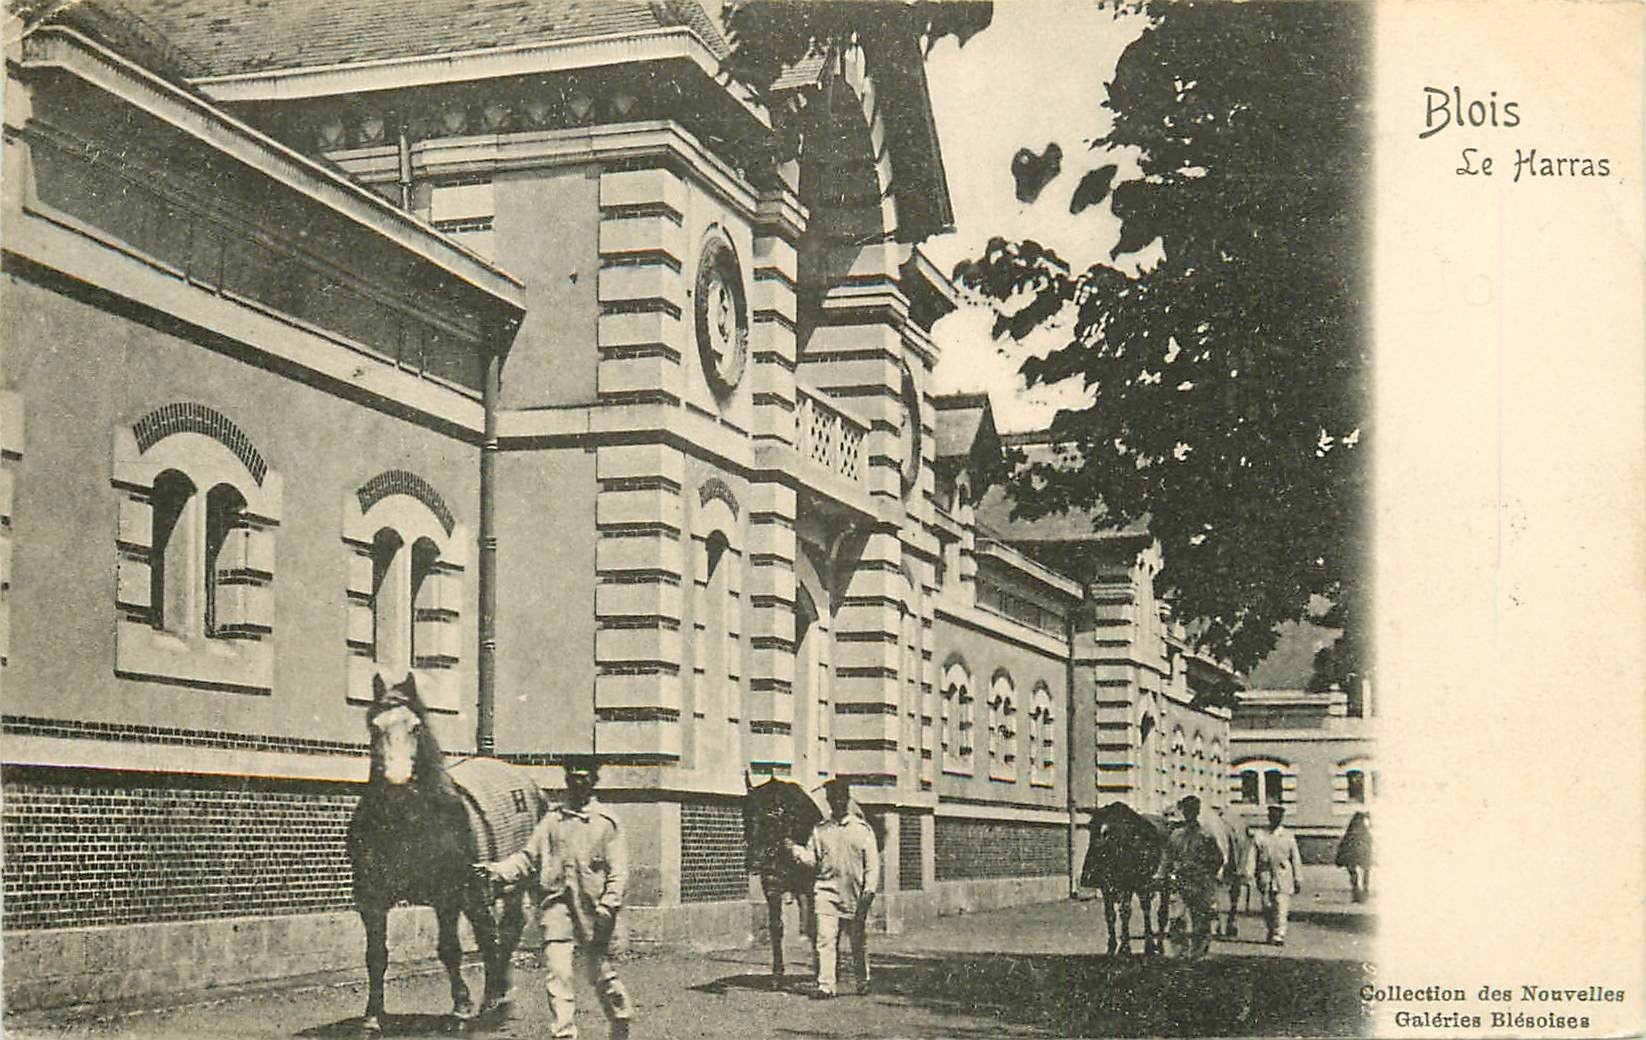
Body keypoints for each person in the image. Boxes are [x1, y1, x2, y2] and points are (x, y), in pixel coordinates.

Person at [475, 755, 632, 1040]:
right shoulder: (551, 821)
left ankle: (620, 1019)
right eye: (572, 776)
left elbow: (618, 872)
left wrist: (609, 904)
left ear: (594, 780)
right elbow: (526, 859)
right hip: (556, 908)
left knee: (601, 975)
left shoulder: (606, 823)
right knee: (557, 975)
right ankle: (564, 1034)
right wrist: (496, 871)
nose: (578, 781)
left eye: (584, 776)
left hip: (594, 911)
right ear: (566, 780)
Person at [787, 776, 880, 998]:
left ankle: (862, 979)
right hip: (826, 892)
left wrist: (868, 892)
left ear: (846, 799)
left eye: (839, 798)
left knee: (857, 940)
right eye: (831, 799)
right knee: (825, 939)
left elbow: (873, 866)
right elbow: (813, 859)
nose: (835, 803)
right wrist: (795, 850)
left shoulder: (862, 830)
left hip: (854, 894)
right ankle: (826, 986)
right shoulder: (821, 831)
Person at [1157, 794, 1225, 958]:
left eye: (1193, 810)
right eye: (1187, 810)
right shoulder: (1176, 835)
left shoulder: (1206, 835)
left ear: (1198, 811)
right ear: (1183, 811)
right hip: (1180, 880)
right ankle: (1179, 951)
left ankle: (1198, 952)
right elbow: (1167, 857)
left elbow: (1218, 858)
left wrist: (1208, 875)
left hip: (1200, 880)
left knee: (1200, 917)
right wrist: (1161, 875)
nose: (1190, 813)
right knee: (1176, 917)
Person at [1246, 804, 1304, 945]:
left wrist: (1298, 878)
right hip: (1265, 874)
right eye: (1272, 816)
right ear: (1269, 817)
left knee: (1281, 905)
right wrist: (1249, 873)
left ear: (1282, 818)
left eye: (1279, 816)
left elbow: (1295, 858)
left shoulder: (1288, 836)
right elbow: (1252, 856)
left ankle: (1279, 934)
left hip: (1283, 874)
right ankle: (1271, 929)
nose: (1275, 819)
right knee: (1267, 906)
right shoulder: (1260, 835)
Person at [1336, 810, 1373, 902]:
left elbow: (1345, 843)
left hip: (1355, 857)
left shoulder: (1353, 830)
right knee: (1362, 874)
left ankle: (1358, 893)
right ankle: (1362, 893)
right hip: (1360, 856)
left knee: (1355, 875)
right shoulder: (1364, 831)